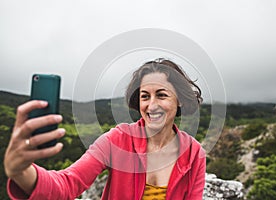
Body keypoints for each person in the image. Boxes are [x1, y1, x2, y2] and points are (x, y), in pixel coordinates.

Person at [4, 58, 206, 200]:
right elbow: (68, 184)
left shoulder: (194, 154)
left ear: (179, 100)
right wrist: (21, 171)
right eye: (145, 96)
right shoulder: (117, 139)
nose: (151, 105)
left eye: (161, 95)